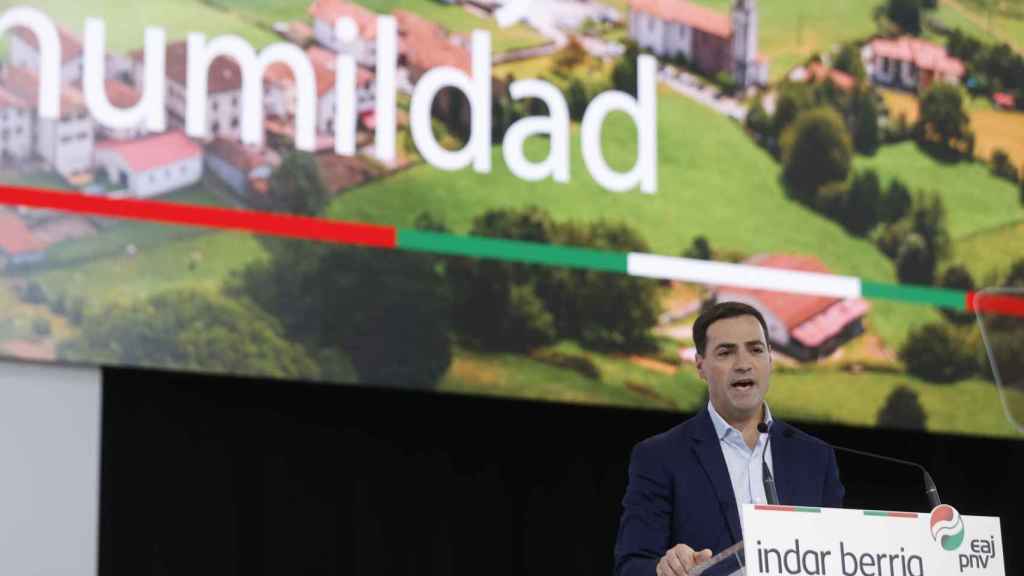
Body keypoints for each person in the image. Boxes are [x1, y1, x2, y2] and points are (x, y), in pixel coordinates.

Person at [614, 301, 844, 576]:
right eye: (726, 352)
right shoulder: (660, 456)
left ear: (770, 358)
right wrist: (665, 569)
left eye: (755, 350)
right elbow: (631, 566)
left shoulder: (815, 457)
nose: (743, 364)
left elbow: (839, 557)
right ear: (700, 365)